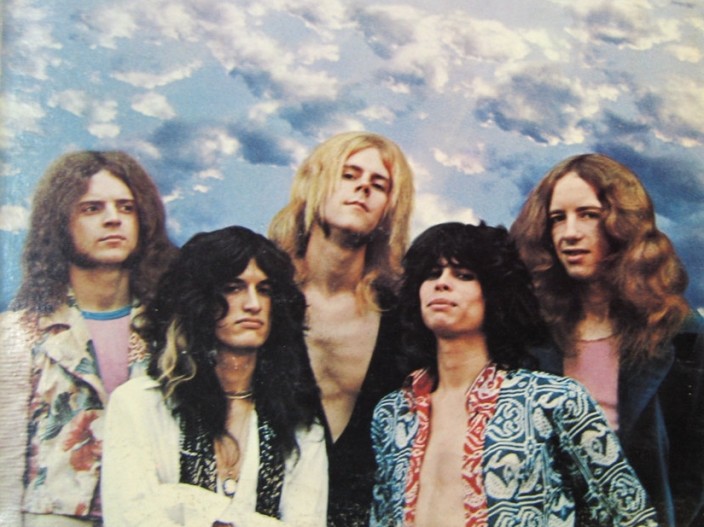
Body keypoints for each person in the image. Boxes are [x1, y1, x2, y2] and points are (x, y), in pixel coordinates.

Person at [370, 222, 659, 527]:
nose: (442, 283)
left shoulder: (552, 400)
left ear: (494, 294)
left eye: (464, 275)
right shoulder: (392, 413)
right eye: (431, 274)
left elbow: (632, 517)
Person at [510, 153, 704, 526]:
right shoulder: (532, 336)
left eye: (588, 214)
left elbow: (693, 478)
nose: (569, 233)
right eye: (557, 218)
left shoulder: (683, 335)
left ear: (623, 223)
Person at [101, 226, 327, 527]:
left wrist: (181, 501)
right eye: (233, 287)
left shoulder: (299, 425)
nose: (253, 304)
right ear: (199, 300)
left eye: (264, 290)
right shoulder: (139, 406)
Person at [0, 151, 177, 526]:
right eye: (92, 208)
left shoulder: (172, 330)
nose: (113, 218)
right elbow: (3, 466)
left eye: (126, 207)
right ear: (59, 224)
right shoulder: (18, 333)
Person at [268, 131, 415, 526]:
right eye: (348, 175)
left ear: (389, 209)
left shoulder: (400, 315)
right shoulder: (264, 296)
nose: (363, 187)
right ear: (313, 183)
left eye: (379, 184)